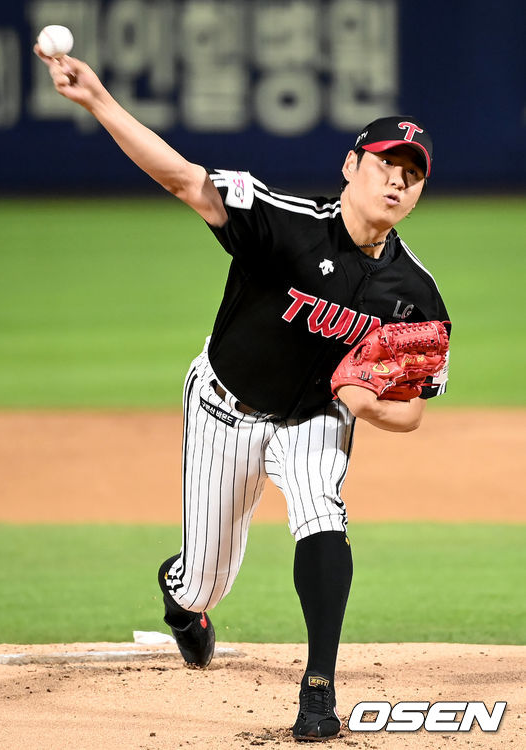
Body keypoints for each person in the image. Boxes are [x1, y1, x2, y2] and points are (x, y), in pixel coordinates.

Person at [35, 46, 450, 741]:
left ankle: (319, 688)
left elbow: (411, 410)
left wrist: (367, 405)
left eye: (411, 175)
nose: (396, 181)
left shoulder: (416, 296)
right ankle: (183, 600)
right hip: (222, 407)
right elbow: (183, 180)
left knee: (322, 514)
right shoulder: (285, 223)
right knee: (205, 581)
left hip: (315, 417)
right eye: (385, 164)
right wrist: (98, 101)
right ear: (351, 166)